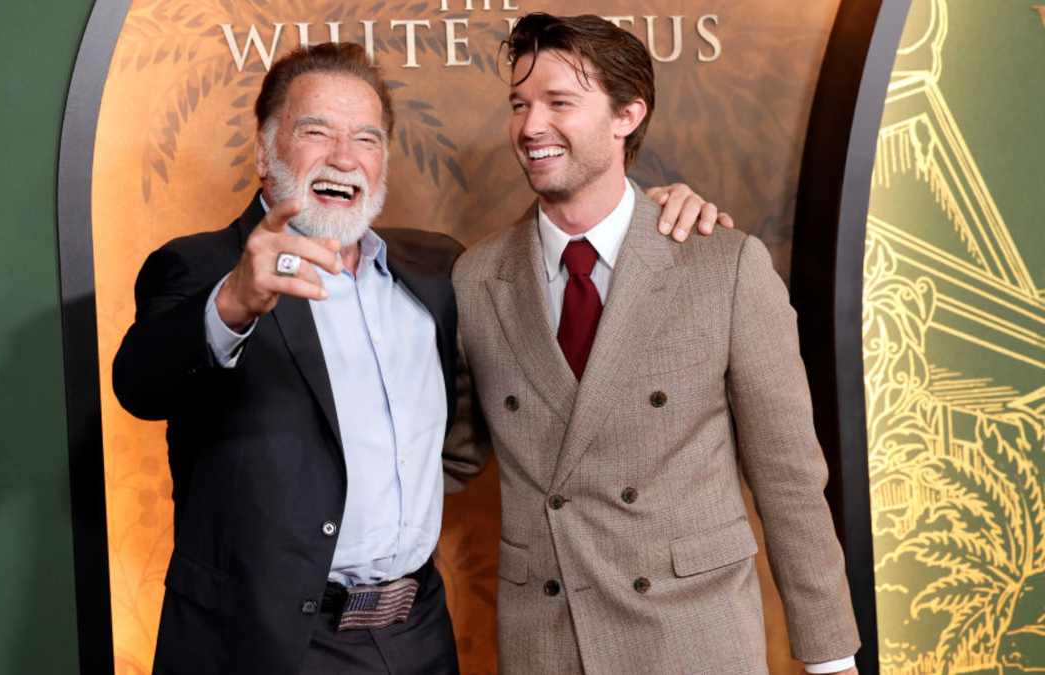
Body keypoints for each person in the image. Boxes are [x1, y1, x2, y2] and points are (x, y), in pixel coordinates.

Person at [112, 41, 721, 675]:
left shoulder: (437, 269)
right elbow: (140, 384)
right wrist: (235, 301)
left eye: (367, 138)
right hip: (260, 644)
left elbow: (554, 255)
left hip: (417, 634)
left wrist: (642, 215)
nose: (344, 156)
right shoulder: (202, 267)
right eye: (316, 132)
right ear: (264, 151)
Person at [445, 13, 861, 675]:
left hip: (694, 639)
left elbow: (788, 481)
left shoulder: (723, 266)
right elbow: (446, 454)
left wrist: (831, 660)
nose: (530, 126)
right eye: (519, 104)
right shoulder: (476, 278)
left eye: (559, 103)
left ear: (627, 115)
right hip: (547, 645)